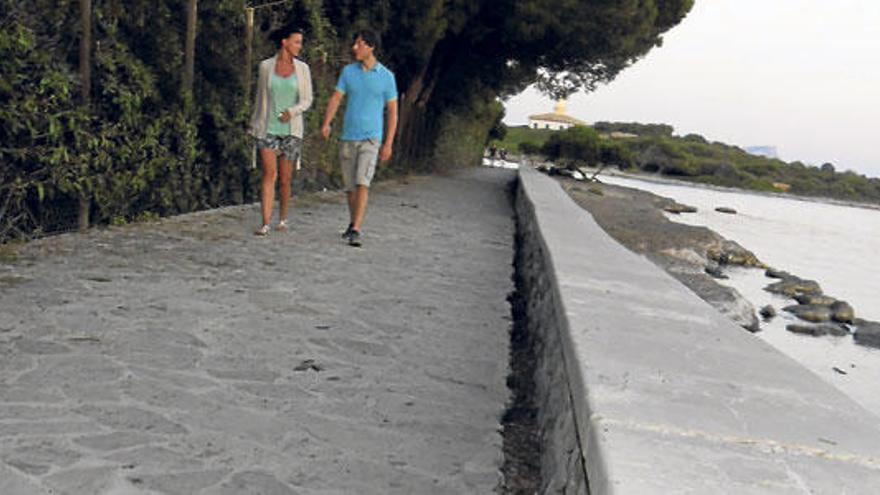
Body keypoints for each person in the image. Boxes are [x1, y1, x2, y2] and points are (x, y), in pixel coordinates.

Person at [320, 29, 398, 247]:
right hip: (348, 136)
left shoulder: (386, 77)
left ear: (371, 47)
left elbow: (393, 112)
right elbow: (336, 98)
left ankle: (356, 228)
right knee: (350, 187)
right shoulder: (348, 72)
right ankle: (353, 221)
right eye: (355, 43)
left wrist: (388, 143)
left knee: (363, 182)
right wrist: (326, 123)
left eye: (359, 44)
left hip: (372, 138)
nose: (355, 47)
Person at [248, 25, 313, 236]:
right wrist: (254, 124)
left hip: (291, 129)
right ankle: (265, 222)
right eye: (296, 42)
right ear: (284, 42)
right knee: (269, 174)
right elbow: (260, 99)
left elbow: (307, 99)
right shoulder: (265, 67)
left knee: (285, 179)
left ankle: (282, 217)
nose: (299, 46)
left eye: (300, 42)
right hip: (267, 127)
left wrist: (292, 112)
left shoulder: (303, 69)